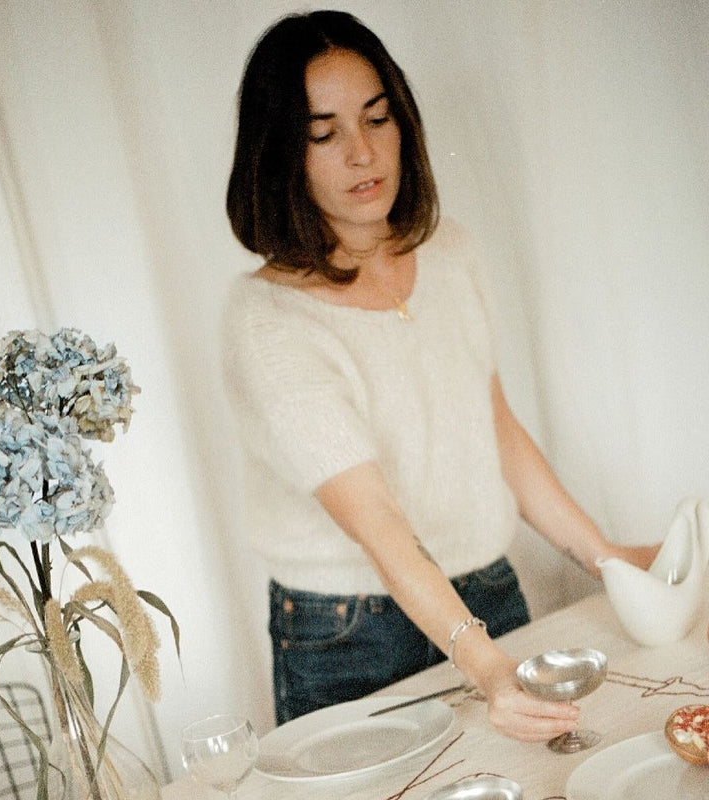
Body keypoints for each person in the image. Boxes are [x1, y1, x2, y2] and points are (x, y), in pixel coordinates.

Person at [222, 10, 658, 740]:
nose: (362, 153)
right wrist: (485, 667)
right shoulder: (267, 320)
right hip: (346, 632)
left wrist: (608, 559)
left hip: (485, 584)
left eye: (378, 118)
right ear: (280, 154)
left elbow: (495, 431)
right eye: (325, 133)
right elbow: (379, 525)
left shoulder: (451, 251)